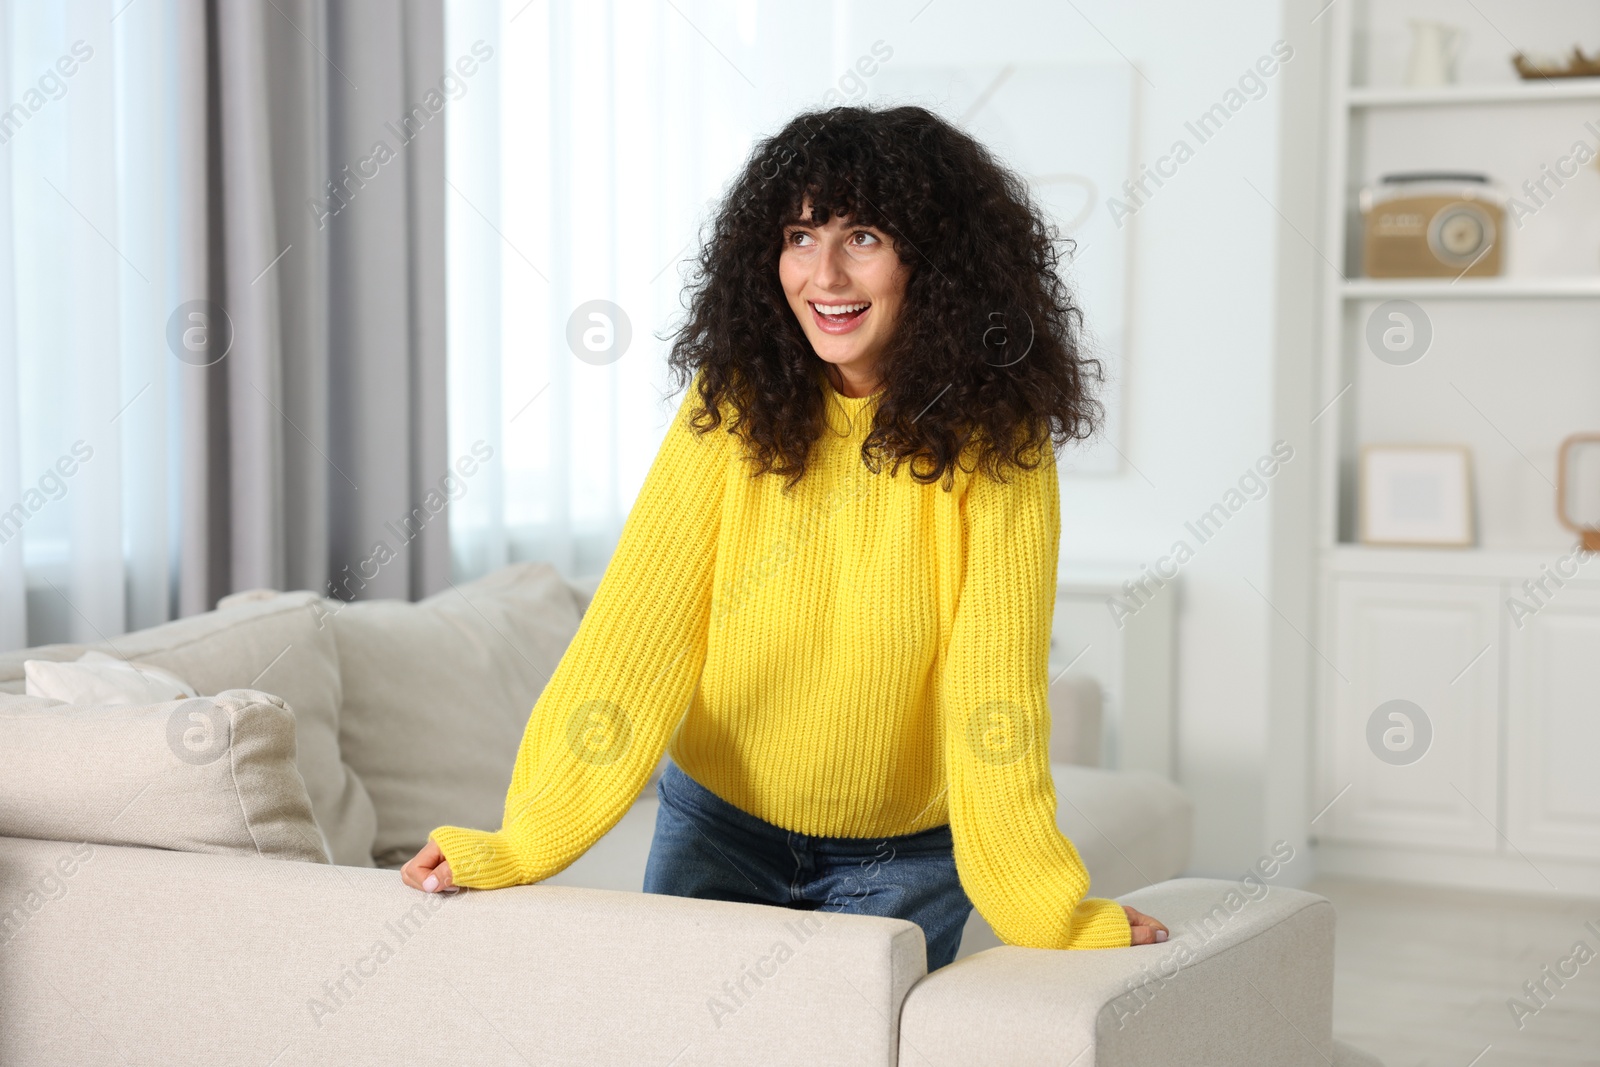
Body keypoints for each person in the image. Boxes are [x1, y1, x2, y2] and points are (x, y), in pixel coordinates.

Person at [402, 103, 1168, 969]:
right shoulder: (730, 402)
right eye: (801, 235)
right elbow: (636, 633)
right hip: (716, 829)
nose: (826, 274)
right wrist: (521, 839)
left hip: (905, 860)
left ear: (938, 261)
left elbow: (994, 687)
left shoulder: (1001, 441)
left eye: (865, 237)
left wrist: (1046, 903)